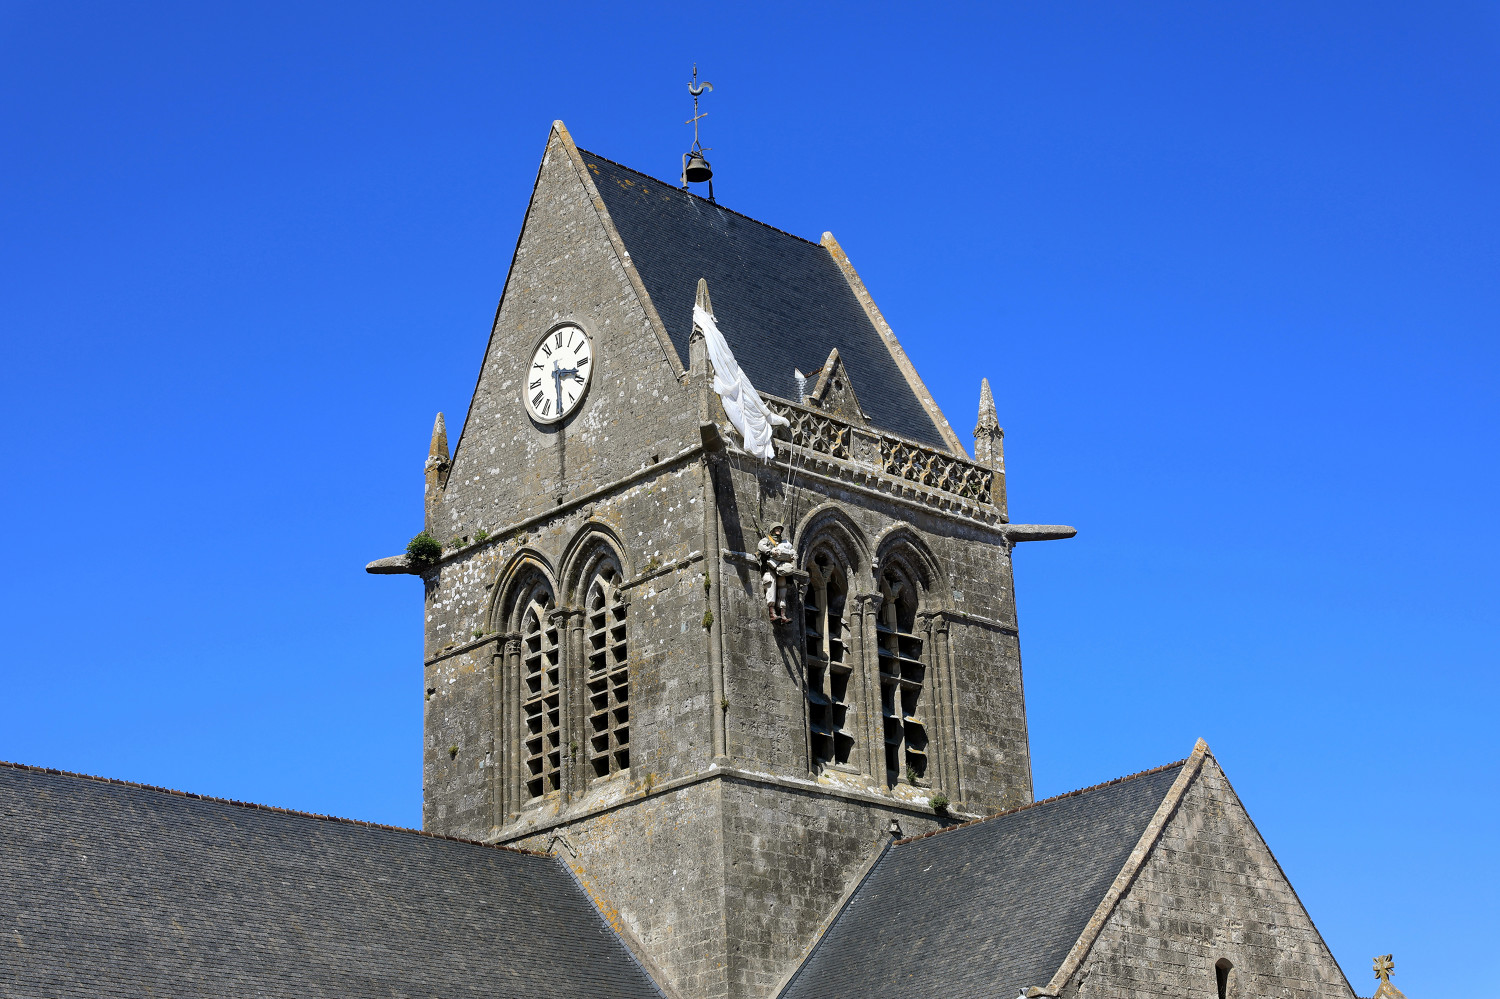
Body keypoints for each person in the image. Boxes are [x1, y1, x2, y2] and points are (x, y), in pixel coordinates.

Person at [757, 524, 797, 623]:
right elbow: (761, 546)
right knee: (770, 585)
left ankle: (783, 614)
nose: (778, 530)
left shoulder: (785, 543)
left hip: (781, 569)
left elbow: (793, 552)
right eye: (776, 529)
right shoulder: (767, 540)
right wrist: (770, 552)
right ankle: (772, 613)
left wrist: (793, 556)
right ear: (772, 530)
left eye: (779, 529)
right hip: (770, 568)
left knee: (782, 589)